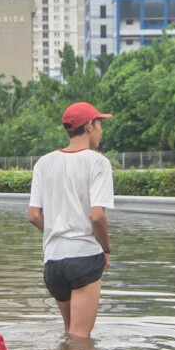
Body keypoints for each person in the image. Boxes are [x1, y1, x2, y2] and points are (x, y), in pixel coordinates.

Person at [28, 101, 115, 337]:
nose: (101, 130)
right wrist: (106, 249)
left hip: (53, 261)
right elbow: (97, 216)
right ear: (89, 126)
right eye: (99, 124)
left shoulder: (44, 163)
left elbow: (34, 215)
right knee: (81, 338)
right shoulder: (98, 162)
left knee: (69, 333)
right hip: (83, 257)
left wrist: (59, 231)